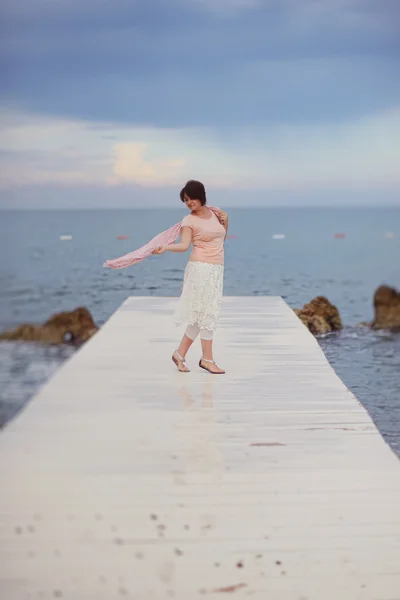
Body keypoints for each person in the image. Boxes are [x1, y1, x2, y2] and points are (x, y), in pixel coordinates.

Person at [152, 180, 228, 374]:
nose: (189, 203)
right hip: (200, 268)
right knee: (207, 314)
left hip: (216, 269)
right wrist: (166, 247)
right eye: (185, 200)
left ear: (200, 195)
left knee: (198, 316)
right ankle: (207, 360)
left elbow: (221, 238)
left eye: (191, 198)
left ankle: (179, 354)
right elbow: (184, 245)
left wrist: (225, 220)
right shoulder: (189, 220)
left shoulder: (214, 214)